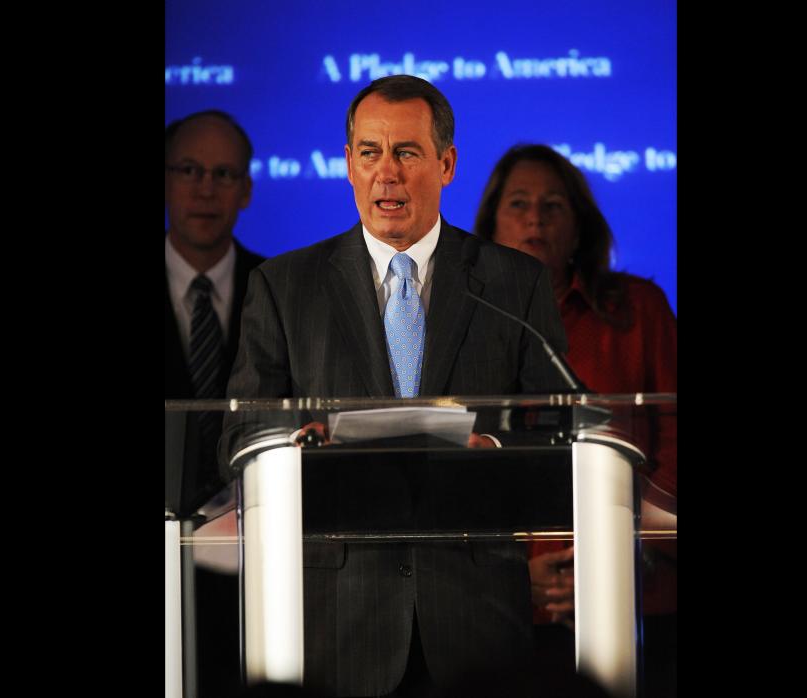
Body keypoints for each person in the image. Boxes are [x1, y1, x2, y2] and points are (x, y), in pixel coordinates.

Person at [226, 76, 572, 697]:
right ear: (348, 165)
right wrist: (304, 448)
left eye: (407, 153)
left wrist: (489, 456)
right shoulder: (285, 286)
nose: (386, 173)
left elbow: (555, 429)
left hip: (477, 614)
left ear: (446, 164)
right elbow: (242, 432)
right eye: (369, 152)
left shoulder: (512, 283)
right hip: (340, 614)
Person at [474, 143, 677, 697]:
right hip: (498, 614)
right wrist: (516, 576)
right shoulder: (459, 326)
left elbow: (675, 443)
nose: (535, 218)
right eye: (518, 204)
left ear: (579, 227)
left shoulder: (638, 311)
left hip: (642, 594)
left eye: (552, 205)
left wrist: (625, 551)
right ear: (490, 227)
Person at [165, 109, 266, 698]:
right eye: (190, 170)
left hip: (256, 569)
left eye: (224, 174)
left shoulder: (280, 288)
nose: (206, 189)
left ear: (247, 190)